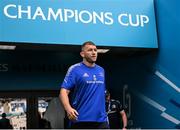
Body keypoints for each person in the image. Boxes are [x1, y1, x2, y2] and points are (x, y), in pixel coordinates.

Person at [59, 41, 108, 129]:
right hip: (81, 119)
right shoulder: (75, 69)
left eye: (95, 50)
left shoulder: (101, 70)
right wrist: (68, 109)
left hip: (101, 120)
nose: (93, 53)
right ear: (82, 54)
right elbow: (63, 92)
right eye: (90, 50)